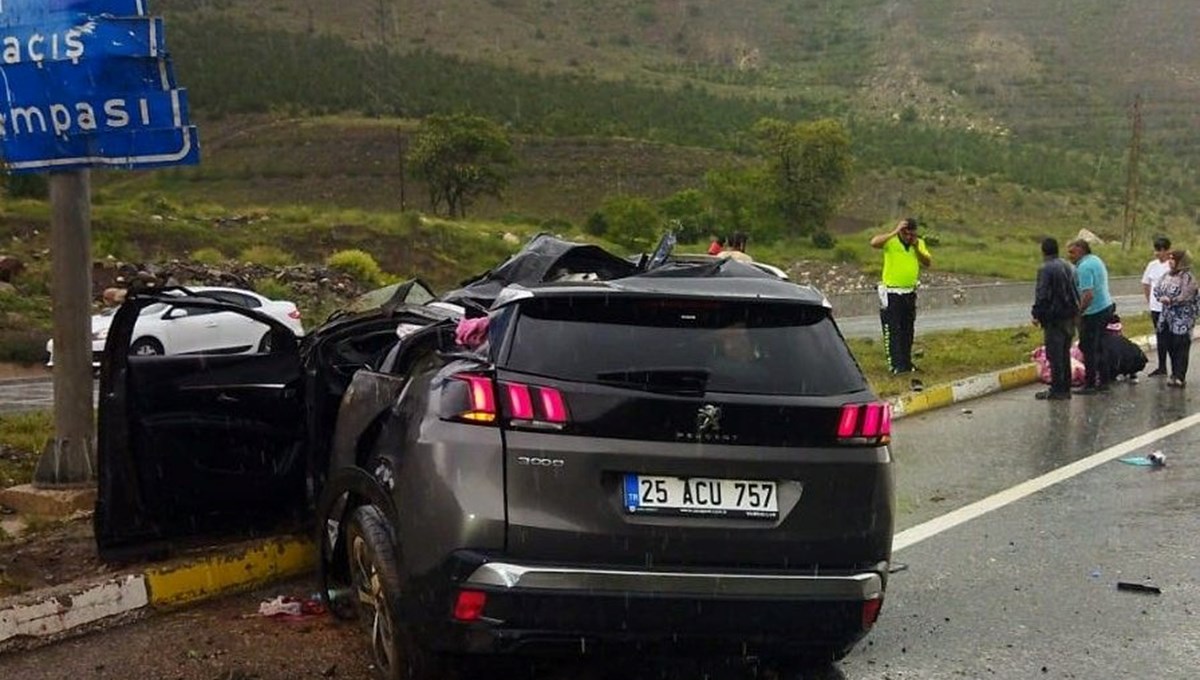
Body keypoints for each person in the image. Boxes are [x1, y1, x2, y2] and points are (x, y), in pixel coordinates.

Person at [870, 217, 932, 375]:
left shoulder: (918, 243)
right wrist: (894, 232)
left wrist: (917, 247)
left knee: (907, 329)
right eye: (906, 234)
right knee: (893, 329)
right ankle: (895, 364)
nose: (909, 237)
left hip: (909, 292)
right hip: (892, 292)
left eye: (912, 234)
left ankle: (906, 362)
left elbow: (927, 262)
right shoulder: (891, 241)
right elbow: (874, 243)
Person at [1030, 238, 1079, 400]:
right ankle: (1065, 386)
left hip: (1055, 317)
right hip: (1070, 316)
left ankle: (1058, 389)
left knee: (1055, 354)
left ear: (1043, 251)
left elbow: (1042, 294)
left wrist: (1037, 314)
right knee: (1064, 352)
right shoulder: (1068, 266)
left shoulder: (1045, 269)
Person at [1066, 239, 1115, 394]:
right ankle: (1105, 380)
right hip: (1106, 307)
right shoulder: (1095, 260)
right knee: (1100, 346)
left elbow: (1088, 295)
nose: (1070, 256)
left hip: (1094, 312)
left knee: (1088, 348)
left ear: (1081, 250)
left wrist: (1078, 313)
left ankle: (1090, 383)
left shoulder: (1084, 268)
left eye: (1072, 252)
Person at [1152, 249, 1198, 387]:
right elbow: (1157, 288)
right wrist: (1161, 298)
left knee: (1181, 347)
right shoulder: (1166, 275)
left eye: (1173, 259)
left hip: (1182, 318)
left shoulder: (1188, 278)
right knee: (1170, 345)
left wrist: (1171, 300)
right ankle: (1173, 373)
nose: (1170, 262)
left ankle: (1180, 376)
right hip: (1167, 317)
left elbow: (1186, 295)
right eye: (1170, 259)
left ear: (1181, 261)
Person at [1141, 236, 1172, 377]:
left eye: (1160, 250)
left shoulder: (1172, 265)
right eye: (1156, 250)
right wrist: (1150, 300)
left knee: (1171, 337)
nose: (1158, 253)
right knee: (1160, 337)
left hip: (1170, 308)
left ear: (1167, 250)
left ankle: (1176, 368)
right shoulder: (1152, 265)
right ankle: (1161, 366)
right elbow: (1146, 283)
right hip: (1156, 308)